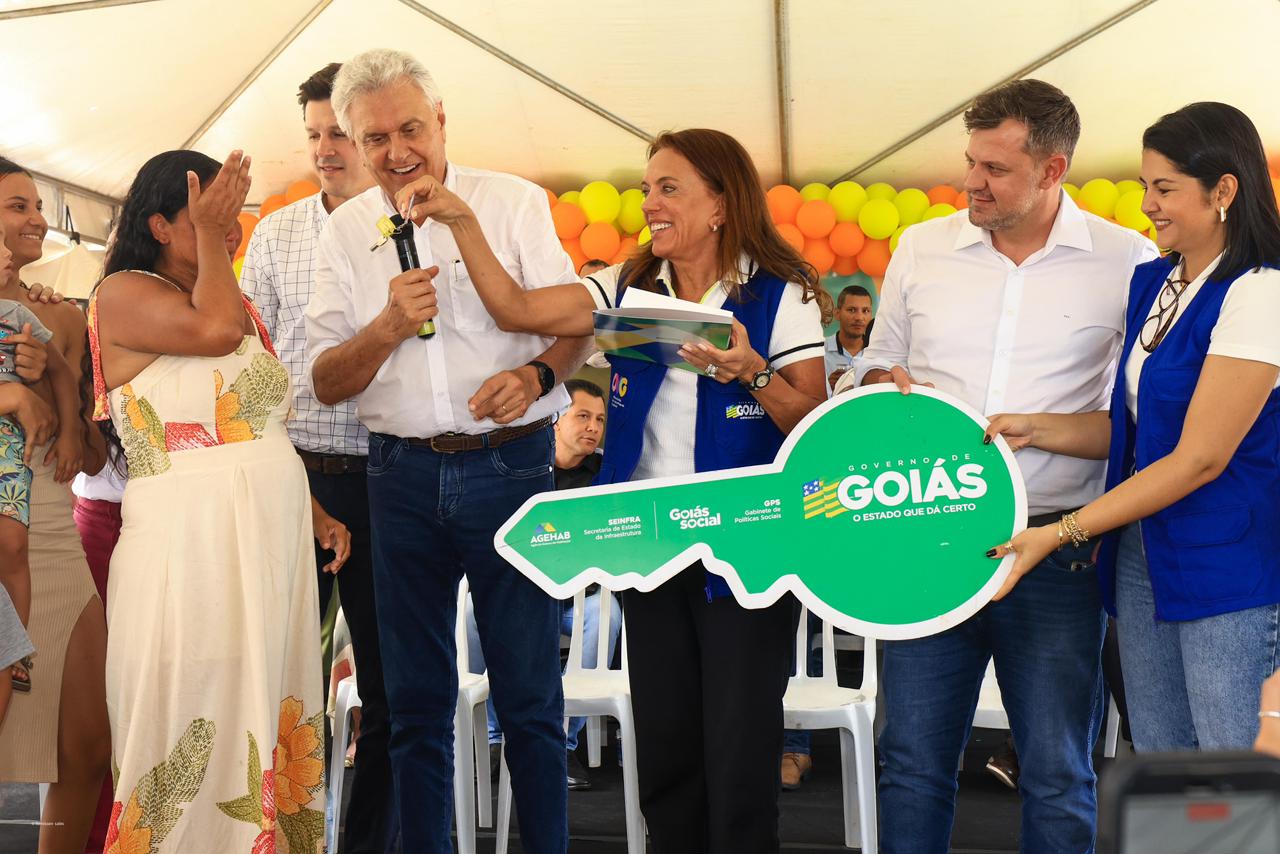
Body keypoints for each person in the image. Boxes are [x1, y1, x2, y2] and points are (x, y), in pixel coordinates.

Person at [399, 126, 829, 853]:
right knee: (664, 748)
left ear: (721, 204)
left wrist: (751, 371)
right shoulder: (627, 287)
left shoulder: (781, 297)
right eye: (646, 188)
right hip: (651, 545)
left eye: (669, 188)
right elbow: (517, 309)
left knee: (739, 751)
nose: (649, 203)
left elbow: (815, 427)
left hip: (750, 551)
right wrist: (464, 221)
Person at [849, 80, 1158, 854]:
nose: (972, 182)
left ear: (1054, 170)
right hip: (924, 532)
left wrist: (1043, 434)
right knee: (911, 763)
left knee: (1056, 771)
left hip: (1059, 545)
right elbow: (874, 363)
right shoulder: (921, 247)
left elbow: (1138, 423)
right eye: (970, 162)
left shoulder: (1129, 260)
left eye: (995, 168)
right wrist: (880, 381)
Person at [305, 48, 593, 853]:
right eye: (375, 138)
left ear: (440, 121)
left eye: (410, 129)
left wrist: (537, 375)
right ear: (354, 143)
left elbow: (576, 326)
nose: (397, 152)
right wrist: (387, 326)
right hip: (399, 475)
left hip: (512, 466)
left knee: (530, 702)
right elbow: (326, 381)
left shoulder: (512, 201)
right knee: (415, 707)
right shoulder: (344, 231)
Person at [987, 102, 1280, 754]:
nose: (1147, 204)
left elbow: (1199, 457)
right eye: (1146, 185)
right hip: (1144, 557)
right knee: (1163, 762)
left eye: (1165, 188)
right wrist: (1037, 428)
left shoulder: (1260, 290)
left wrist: (1061, 530)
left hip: (1227, 568)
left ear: (1224, 191)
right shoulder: (1154, 282)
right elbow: (1141, 434)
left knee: (1231, 776)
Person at [90, 149, 349, 851]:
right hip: (188, 536)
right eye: (210, 214)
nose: (230, 227)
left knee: (262, 704)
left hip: (269, 537)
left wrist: (314, 512)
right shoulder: (122, 292)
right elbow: (213, 335)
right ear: (159, 225)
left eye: (233, 213)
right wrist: (213, 236)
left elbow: (256, 425)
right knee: (189, 713)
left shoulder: (237, 304)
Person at [239, 61, 398, 853]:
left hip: (386, 478)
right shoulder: (274, 233)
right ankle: (278, 839)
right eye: (313, 136)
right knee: (278, 682)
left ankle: (367, 843)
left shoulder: (406, 226)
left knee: (389, 686)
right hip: (291, 478)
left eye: (339, 134)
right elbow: (248, 366)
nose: (326, 150)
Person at [0, 156, 112, 854]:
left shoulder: (62, 316)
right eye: (19, 206)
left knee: (87, 750)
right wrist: (11, 393)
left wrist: (50, 384)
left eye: (39, 205)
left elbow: (92, 457)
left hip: (55, 535)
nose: (39, 219)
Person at [464, 378, 620, 791]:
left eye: (600, 420)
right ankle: (491, 737)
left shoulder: (606, 474)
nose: (593, 427)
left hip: (581, 595)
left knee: (606, 618)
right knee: (473, 612)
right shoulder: (521, 468)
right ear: (555, 420)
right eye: (583, 416)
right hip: (522, 590)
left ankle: (562, 742)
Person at [823, 284, 873, 391]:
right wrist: (826, 388)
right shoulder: (820, 352)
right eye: (852, 310)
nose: (859, 317)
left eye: (865, 311)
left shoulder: (877, 353)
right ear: (837, 313)